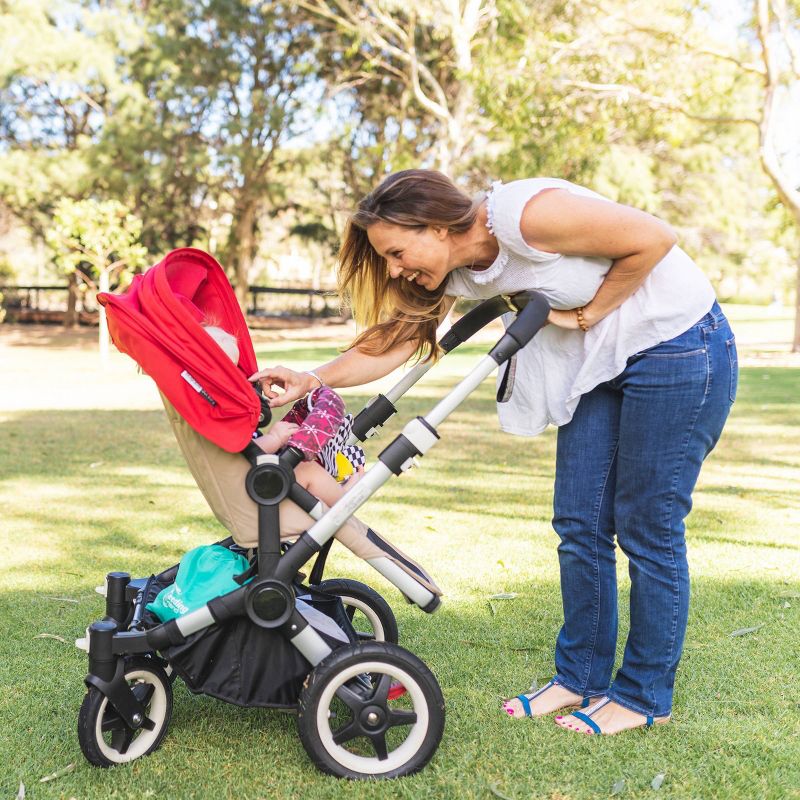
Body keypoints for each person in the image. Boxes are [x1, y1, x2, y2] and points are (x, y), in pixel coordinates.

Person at [249, 169, 737, 736]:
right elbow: (395, 343)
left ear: (436, 226)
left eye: (397, 253)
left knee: (647, 525)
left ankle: (644, 694)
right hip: (601, 364)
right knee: (579, 523)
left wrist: (587, 315)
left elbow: (654, 238)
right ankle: (579, 677)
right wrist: (311, 378)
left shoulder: (525, 215)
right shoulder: (453, 273)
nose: (394, 270)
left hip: (679, 345)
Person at [201, 321, 441, 598]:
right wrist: (275, 438)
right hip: (254, 487)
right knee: (306, 470)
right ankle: (342, 499)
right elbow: (241, 449)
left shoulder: (210, 407)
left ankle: (333, 487)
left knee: (308, 457)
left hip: (250, 480)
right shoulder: (217, 411)